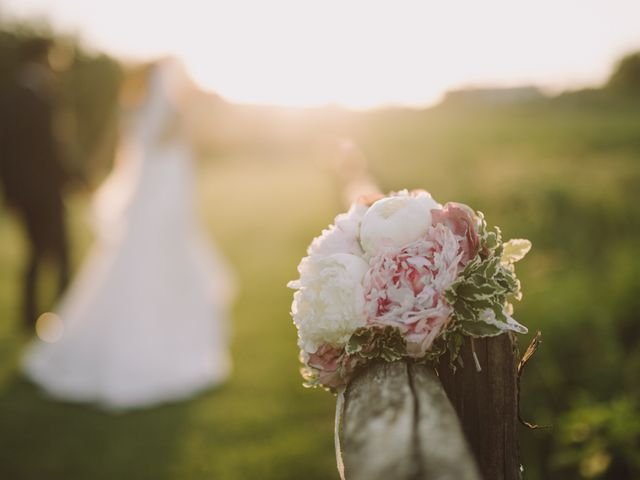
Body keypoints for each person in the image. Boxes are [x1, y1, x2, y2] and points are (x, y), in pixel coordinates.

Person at [22, 59, 235, 410]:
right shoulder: (172, 110)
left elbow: (122, 149)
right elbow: (173, 139)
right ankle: (160, 347)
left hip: (147, 195)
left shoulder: (132, 105)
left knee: (135, 263)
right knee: (161, 264)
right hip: (164, 197)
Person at [0, 38, 70, 329]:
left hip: (23, 191)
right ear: (42, 57)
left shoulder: (9, 95)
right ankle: (64, 313)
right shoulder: (40, 95)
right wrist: (74, 176)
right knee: (61, 252)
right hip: (44, 192)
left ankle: (31, 318)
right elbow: (50, 148)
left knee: (37, 252)